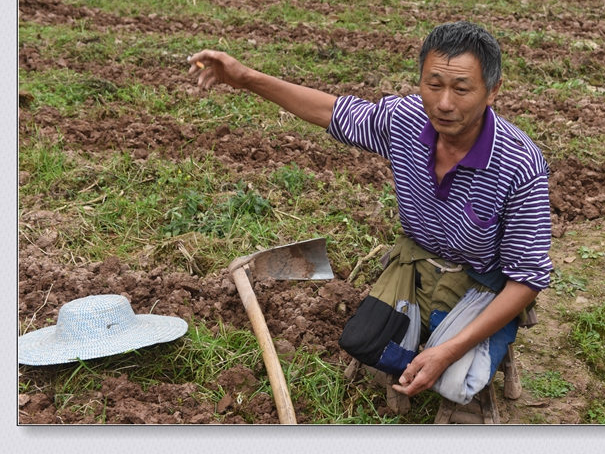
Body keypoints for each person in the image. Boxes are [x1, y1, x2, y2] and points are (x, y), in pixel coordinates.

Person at [188, 20, 553, 402]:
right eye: (434, 85)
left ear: (492, 90)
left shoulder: (518, 164)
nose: (444, 103)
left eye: (461, 89)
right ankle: (430, 336)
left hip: (483, 278)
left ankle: (457, 339)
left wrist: (447, 351)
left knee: (453, 383)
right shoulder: (405, 121)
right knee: (362, 342)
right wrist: (244, 77)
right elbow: (330, 111)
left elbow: (527, 278)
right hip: (419, 259)